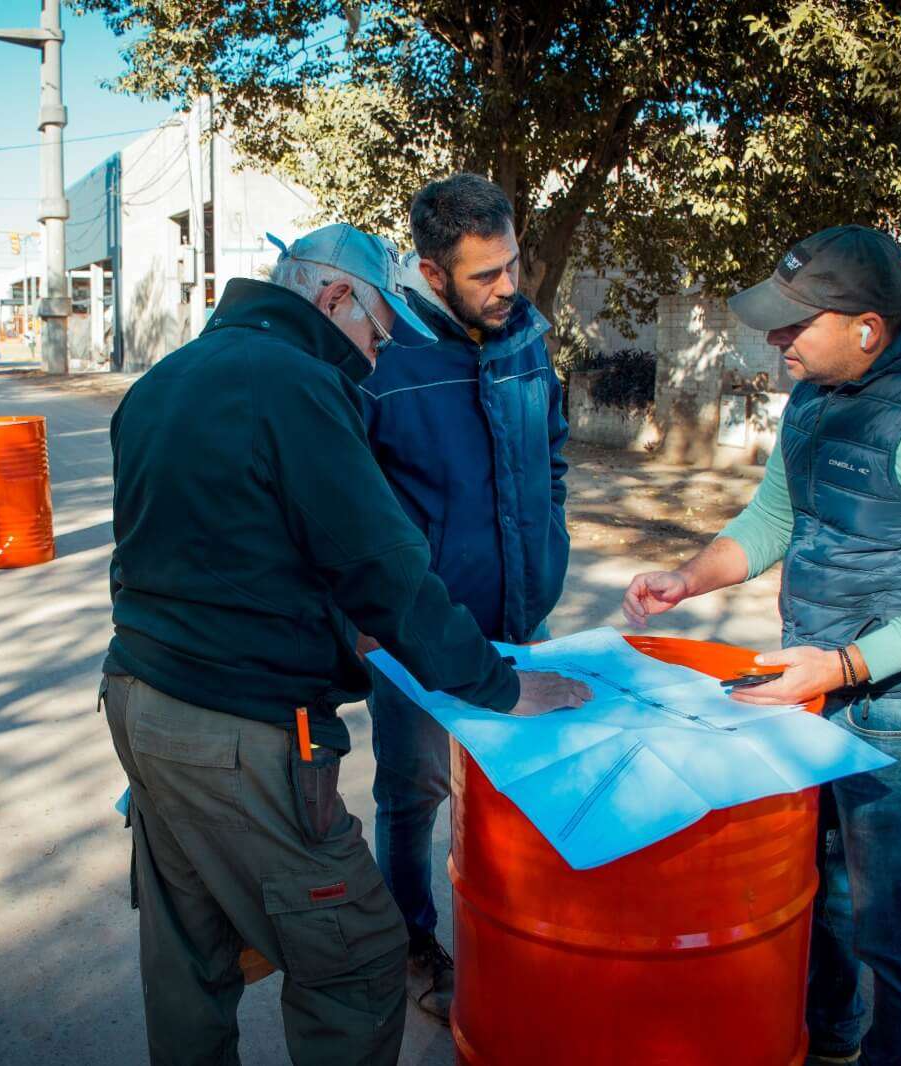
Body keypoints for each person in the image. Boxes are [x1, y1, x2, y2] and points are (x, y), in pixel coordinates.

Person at [102, 222, 593, 1066]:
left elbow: (217, 550)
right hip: (243, 730)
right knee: (357, 954)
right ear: (335, 299)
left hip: (139, 700)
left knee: (191, 949)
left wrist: (332, 625)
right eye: (375, 332)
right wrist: (499, 686)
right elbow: (385, 566)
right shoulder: (295, 382)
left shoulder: (167, 379)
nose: (375, 356)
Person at [622, 225, 901, 1066]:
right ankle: (831, 1037)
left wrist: (847, 664)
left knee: (898, 930)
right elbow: (776, 517)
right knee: (823, 891)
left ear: (866, 327)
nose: (775, 339)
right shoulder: (814, 395)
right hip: (822, 684)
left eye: (795, 323)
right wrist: (689, 579)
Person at [356, 173, 571, 1021]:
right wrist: (365, 617)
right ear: (432, 273)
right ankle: (413, 946)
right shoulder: (382, 352)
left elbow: (551, 449)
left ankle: (514, 939)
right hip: (417, 642)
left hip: (523, 618)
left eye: (512, 263)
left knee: (517, 788)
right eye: (486, 274)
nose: (509, 287)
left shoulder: (526, 335)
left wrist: (549, 531)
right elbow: (347, 501)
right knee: (413, 799)